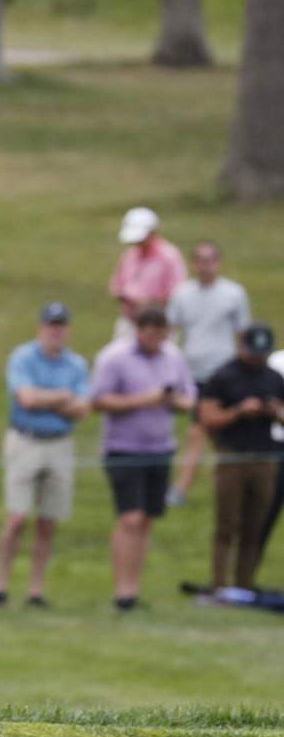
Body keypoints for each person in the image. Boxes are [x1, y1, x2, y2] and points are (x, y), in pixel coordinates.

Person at [92, 306, 196, 611]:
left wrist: (170, 399)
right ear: (138, 330)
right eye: (149, 333)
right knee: (130, 518)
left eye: (160, 334)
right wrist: (144, 399)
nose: (154, 339)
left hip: (160, 448)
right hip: (124, 448)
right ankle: (121, 591)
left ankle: (134, 590)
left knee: (147, 520)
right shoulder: (113, 357)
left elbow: (189, 399)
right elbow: (99, 399)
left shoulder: (174, 356)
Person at [0, 301, 92, 608]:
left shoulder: (77, 364)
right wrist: (63, 396)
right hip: (26, 440)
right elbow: (25, 398)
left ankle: (35, 590)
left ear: (68, 329)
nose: (56, 331)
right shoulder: (23, 357)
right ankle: (2, 585)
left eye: (61, 325)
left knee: (48, 521)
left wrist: (45, 398)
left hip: (60, 443)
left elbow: (82, 409)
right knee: (17, 518)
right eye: (51, 325)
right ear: (41, 327)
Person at [197, 323, 284, 592]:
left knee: (254, 525)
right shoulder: (224, 376)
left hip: (265, 458)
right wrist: (238, 411)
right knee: (227, 524)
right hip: (232, 456)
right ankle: (220, 585)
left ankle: (245, 586)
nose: (256, 356)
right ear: (241, 344)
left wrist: (273, 411)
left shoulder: (274, 378)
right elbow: (207, 418)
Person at [167, 240, 251, 506]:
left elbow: (243, 335)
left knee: (221, 434)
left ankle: (229, 484)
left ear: (218, 262)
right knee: (199, 431)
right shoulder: (182, 294)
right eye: (200, 259)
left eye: (210, 259)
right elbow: (171, 331)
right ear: (194, 263)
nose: (205, 265)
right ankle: (183, 489)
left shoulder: (234, 294)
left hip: (225, 376)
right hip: (196, 375)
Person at [108, 207, 186, 345]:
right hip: (130, 322)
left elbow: (176, 293)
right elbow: (116, 286)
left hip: (157, 325)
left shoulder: (169, 256)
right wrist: (127, 298)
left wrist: (148, 304)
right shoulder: (129, 255)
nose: (137, 243)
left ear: (152, 232)